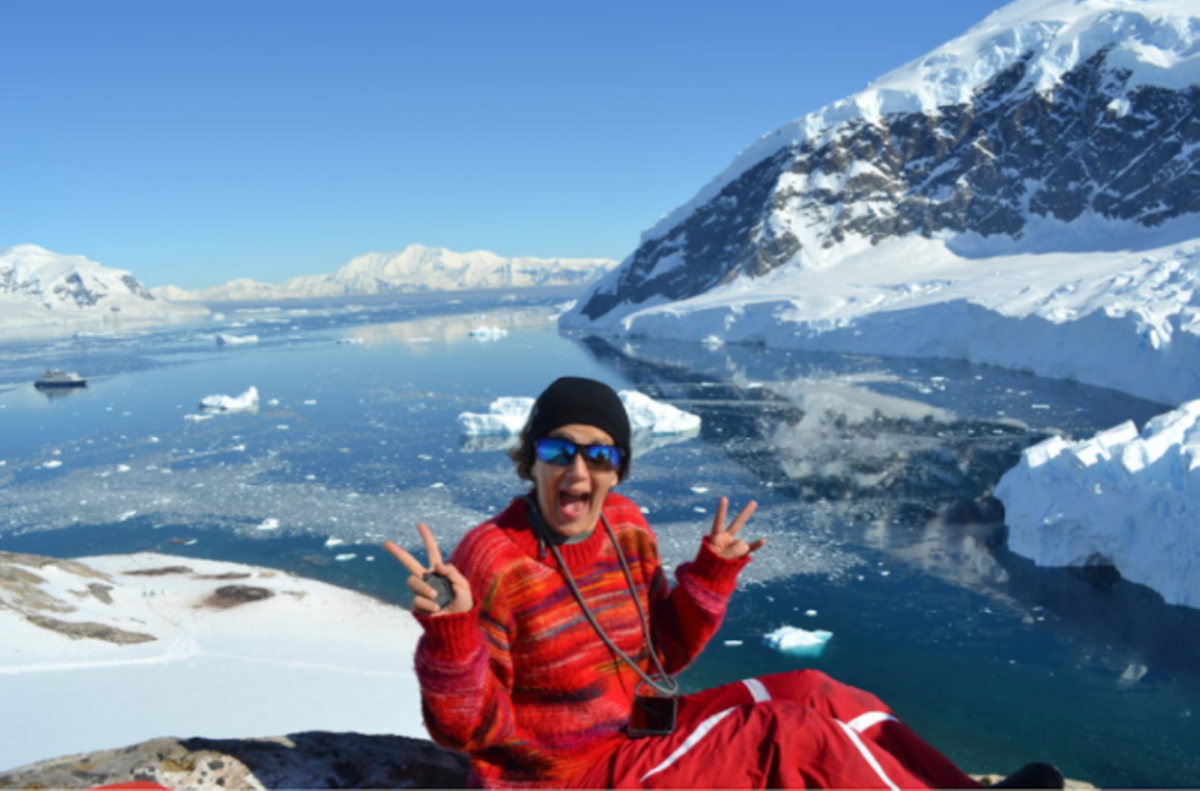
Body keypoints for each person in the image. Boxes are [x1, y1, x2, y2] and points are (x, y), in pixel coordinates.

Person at [385, 376, 1062, 789]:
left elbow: (662, 656)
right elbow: (462, 730)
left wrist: (709, 574)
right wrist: (450, 636)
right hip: (566, 775)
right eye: (559, 451)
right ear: (530, 458)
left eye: (600, 454)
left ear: (619, 468)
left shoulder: (623, 525)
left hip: (637, 728)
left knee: (814, 691)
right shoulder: (492, 559)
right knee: (789, 734)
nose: (578, 473)